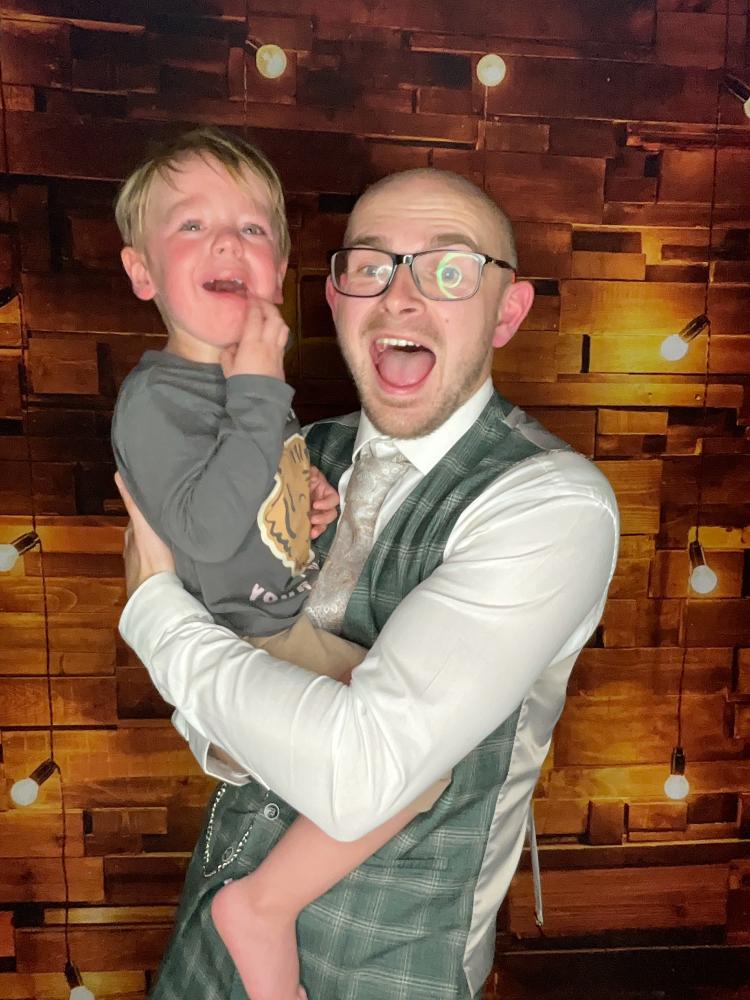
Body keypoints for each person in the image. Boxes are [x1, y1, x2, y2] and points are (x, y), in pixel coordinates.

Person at [118, 165, 620, 1000]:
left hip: (389, 969)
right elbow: (207, 711)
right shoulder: (294, 450)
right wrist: (228, 715)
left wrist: (154, 614)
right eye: (371, 267)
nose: (401, 298)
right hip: (206, 947)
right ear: (335, 298)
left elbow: (362, 776)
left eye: (450, 269)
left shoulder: (552, 504)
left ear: (508, 312)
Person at [111, 129, 454, 1000]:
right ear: (143, 273)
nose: (228, 243)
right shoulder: (157, 398)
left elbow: (255, 507)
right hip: (243, 648)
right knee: (418, 766)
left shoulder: (245, 388)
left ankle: (272, 897)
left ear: (280, 269)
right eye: (193, 226)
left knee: (417, 744)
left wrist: (308, 506)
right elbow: (207, 525)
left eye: (253, 229)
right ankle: (261, 907)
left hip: (276, 626)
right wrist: (261, 383)